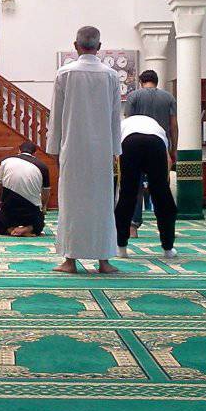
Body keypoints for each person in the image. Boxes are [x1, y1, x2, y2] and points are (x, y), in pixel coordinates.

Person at [48, 26, 121, 274]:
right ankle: (104, 261)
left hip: (72, 148)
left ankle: (70, 260)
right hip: (102, 151)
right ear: (99, 47)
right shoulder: (111, 76)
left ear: (76, 46)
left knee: (72, 204)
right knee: (102, 203)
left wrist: (54, 149)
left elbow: (56, 117)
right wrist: (115, 151)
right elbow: (115, 118)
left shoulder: (65, 74)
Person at [114, 114, 177, 258]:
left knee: (127, 195)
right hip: (156, 144)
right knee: (162, 195)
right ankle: (168, 249)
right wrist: (161, 182)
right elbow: (167, 160)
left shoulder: (123, 125)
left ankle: (121, 248)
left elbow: (116, 154)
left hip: (130, 143)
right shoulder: (157, 128)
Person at [124, 70, 179, 233]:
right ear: (157, 81)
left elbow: (128, 121)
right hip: (159, 144)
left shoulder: (134, 96)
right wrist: (173, 149)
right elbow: (173, 125)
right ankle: (166, 226)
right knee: (161, 185)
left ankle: (133, 226)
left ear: (141, 81)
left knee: (135, 185)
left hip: (134, 143)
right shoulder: (168, 97)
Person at [0, 141, 50, 237]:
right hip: (30, 212)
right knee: (39, 224)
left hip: (9, 210)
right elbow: (46, 192)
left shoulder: (5, 161)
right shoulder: (42, 167)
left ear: (19, 151)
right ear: (34, 153)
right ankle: (27, 229)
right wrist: (44, 208)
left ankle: (10, 230)